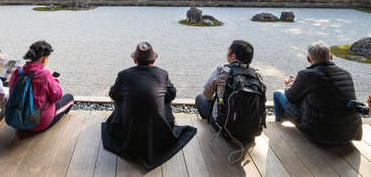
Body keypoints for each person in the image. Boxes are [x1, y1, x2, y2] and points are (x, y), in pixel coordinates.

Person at [101, 42, 197, 170]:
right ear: (153, 61)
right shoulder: (162, 74)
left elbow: (113, 94)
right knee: (165, 99)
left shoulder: (123, 75)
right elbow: (172, 95)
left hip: (129, 130)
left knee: (120, 98)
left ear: (135, 60)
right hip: (158, 131)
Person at [273, 42, 362, 145]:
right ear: (331, 57)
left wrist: (290, 85)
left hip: (320, 134)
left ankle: (278, 130)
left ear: (309, 59)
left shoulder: (307, 75)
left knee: (278, 94)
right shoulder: (346, 74)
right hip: (348, 134)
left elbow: (290, 97)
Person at [195, 40, 267, 137]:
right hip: (253, 130)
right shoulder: (258, 75)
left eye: (228, 49)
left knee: (199, 99)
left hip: (225, 127)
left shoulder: (222, 70)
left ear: (233, 56)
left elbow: (206, 95)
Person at [8, 40, 74, 131]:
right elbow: (57, 96)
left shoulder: (17, 71)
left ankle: (24, 123)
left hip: (16, 120)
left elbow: (11, 91)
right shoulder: (45, 75)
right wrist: (55, 80)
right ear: (44, 58)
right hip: (38, 122)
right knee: (70, 98)